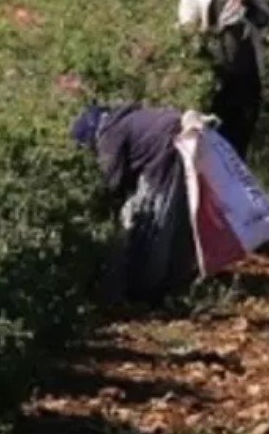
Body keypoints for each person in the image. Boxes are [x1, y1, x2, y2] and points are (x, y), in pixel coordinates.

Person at [71, 103, 198, 305]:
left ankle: (146, 289)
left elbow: (110, 182)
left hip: (164, 155)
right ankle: (175, 280)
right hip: (184, 145)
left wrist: (97, 209)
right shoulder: (125, 120)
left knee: (154, 222)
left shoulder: (108, 135)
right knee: (179, 218)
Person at [177, 0, 269, 159]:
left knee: (242, 134)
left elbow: (265, 20)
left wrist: (249, 5)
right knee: (214, 134)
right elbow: (187, 34)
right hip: (215, 76)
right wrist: (212, 30)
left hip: (247, 75)